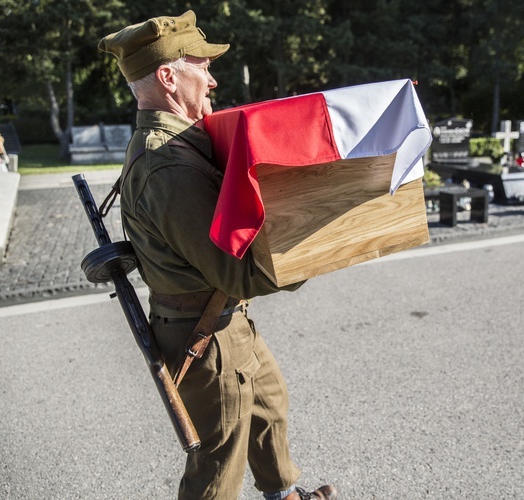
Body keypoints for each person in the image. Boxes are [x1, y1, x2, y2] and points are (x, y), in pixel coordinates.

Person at [98, 11, 337, 500]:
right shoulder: (167, 164)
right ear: (168, 77)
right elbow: (239, 271)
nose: (212, 77)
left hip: (225, 321)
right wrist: (320, 245)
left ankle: (283, 495)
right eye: (201, 65)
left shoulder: (182, 143)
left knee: (269, 412)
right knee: (218, 468)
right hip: (204, 338)